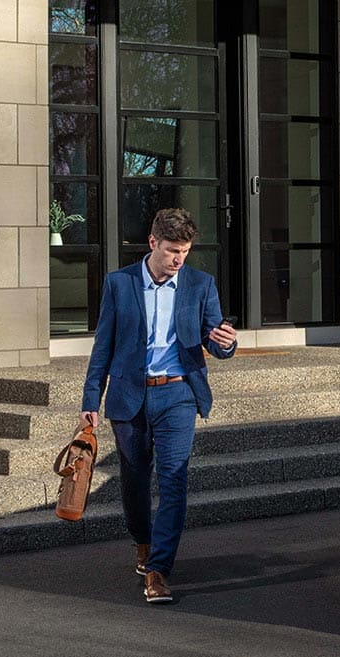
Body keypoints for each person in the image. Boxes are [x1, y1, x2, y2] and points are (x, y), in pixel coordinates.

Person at [80, 208, 238, 605]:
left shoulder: (201, 284)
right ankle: (143, 542)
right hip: (130, 396)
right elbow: (104, 346)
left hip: (178, 395)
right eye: (172, 251)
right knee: (134, 481)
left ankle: (159, 569)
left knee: (174, 479)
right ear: (153, 243)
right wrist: (90, 399)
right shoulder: (120, 283)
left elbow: (217, 342)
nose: (179, 259)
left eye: (184, 251)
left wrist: (226, 343)